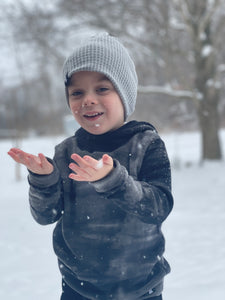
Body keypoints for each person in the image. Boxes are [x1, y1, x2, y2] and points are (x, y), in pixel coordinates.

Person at [8, 33, 173, 300]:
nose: (87, 99)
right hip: (78, 288)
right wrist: (43, 180)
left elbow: (158, 207)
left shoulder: (147, 144)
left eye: (102, 89)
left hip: (140, 289)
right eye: (77, 92)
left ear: (124, 93)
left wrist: (113, 180)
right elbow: (46, 215)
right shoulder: (66, 152)